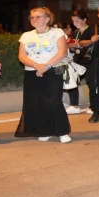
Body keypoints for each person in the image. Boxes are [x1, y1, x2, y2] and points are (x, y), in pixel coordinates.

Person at [15, 7, 71, 143]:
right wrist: (36, 66)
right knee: (37, 102)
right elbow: (22, 56)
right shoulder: (26, 35)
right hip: (32, 72)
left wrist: (45, 66)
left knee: (54, 101)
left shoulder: (57, 32)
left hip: (53, 71)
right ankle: (44, 130)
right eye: (32, 17)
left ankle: (62, 132)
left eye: (38, 17)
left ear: (47, 19)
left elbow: (62, 52)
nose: (34, 20)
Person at [63, 10, 93, 115]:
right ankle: (74, 105)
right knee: (73, 81)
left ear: (84, 20)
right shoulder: (76, 32)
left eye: (77, 20)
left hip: (90, 60)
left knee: (91, 82)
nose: (74, 23)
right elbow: (74, 46)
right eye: (73, 21)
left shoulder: (91, 30)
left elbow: (92, 44)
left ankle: (95, 105)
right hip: (78, 59)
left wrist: (78, 45)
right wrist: (71, 46)